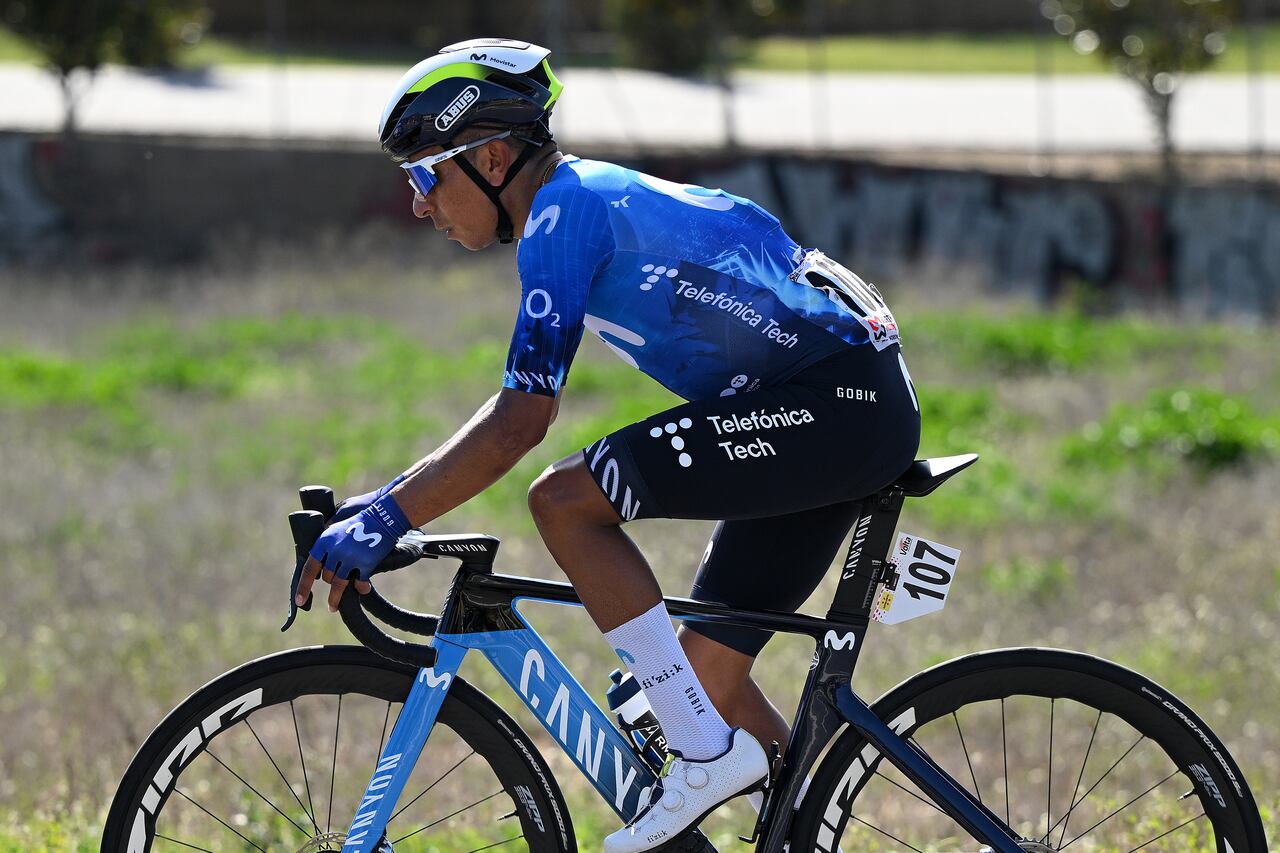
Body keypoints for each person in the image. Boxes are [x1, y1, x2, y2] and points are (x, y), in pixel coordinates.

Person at [297, 37, 921, 853]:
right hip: (838, 404)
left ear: (490, 156)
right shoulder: (577, 200)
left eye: (426, 176)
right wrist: (385, 506)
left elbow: (520, 421)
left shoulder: (562, 212)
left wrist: (384, 518)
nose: (419, 204)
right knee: (699, 682)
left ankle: (700, 757)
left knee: (563, 501)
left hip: (835, 405)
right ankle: (796, 822)